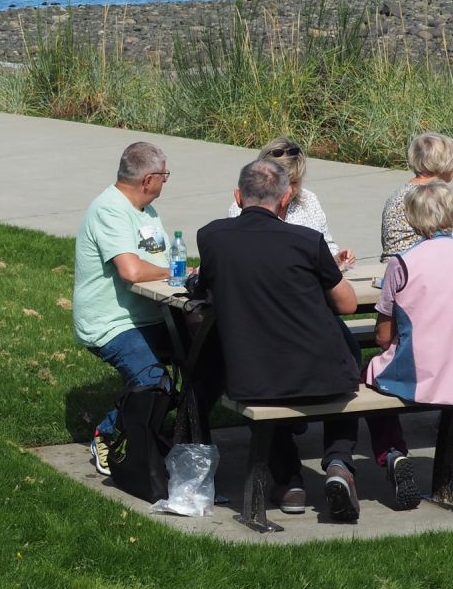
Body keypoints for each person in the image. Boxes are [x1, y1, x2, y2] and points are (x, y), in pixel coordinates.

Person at [194, 158, 364, 522]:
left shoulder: (211, 238)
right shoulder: (307, 241)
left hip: (251, 378)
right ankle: (337, 461)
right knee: (349, 355)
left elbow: (205, 285)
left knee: (274, 369)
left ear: (238, 197)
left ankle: (289, 482)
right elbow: (348, 304)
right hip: (326, 378)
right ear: (286, 199)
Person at [365, 183, 453, 507]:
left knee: (369, 378)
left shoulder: (402, 263)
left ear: (413, 220)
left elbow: (383, 336)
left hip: (422, 376)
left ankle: (393, 454)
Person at [73, 142, 176, 476]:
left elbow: (158, 259)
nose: (166, 182)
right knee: (154, 380)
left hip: (150, 315)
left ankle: (179, 435)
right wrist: (176, 274)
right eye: (165, 175)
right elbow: (131, 271)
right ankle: (108, 434)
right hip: (111, 322)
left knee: (204, 359)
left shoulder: (147, 211)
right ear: (148, 179)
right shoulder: (110, 210)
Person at [227, 136, 354, 270]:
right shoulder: (242, 208)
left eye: (295, 182)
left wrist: (336, 258)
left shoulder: (309, 200)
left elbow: (325, 244)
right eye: (284, 182)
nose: (290, 189)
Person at [380, 131, 453, 260]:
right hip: (415, 268)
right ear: (443, 163)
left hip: (397, 264)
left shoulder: (404, 192)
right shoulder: (428, 196)